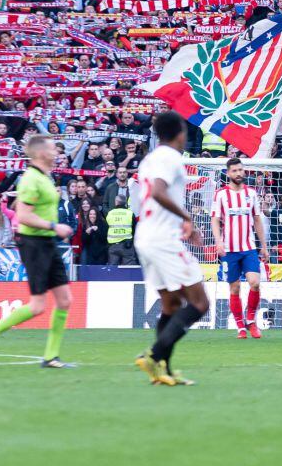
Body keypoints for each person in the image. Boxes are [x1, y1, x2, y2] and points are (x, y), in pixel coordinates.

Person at [0, 135, 76, 369]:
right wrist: (54, 226)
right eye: (52, 148)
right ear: (41, 153)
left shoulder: (44, 177)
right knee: (38, 305)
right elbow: (23, 215)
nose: (57, 152)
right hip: (34, 243)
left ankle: (51, 357)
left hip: (47, 242)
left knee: (65, 299)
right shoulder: (30, 179)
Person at [134, 112, 210, 386]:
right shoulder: (170, 157)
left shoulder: (150, 158)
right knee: (200, 303)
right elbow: (158, 191)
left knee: (171, 304)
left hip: (146, 236)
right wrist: (188, 218)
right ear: (179, 132)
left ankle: (162, 370)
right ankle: (153, 355)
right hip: (163, 239)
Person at [210, 157, 268, 339]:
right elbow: (215, 219)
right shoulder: (221, 194)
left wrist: (264, 246)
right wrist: (218, 241)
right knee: (234, 288)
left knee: (255, 283)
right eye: (234, 170)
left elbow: (257, 219)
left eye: (240, 170)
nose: (238, 173)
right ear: (228, 173)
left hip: (249, 247)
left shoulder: (251, 193)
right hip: (229, 250)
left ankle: (250, 320)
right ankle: (240, 327)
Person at [106, 194, 138, 265]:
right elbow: (135, 230)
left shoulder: (110, 213)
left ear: (116, 202)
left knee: (113, 270)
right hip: (127, 246)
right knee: (129, 270)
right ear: (125, 203)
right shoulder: (130, 213)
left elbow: (107, 227)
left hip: (113, 246)